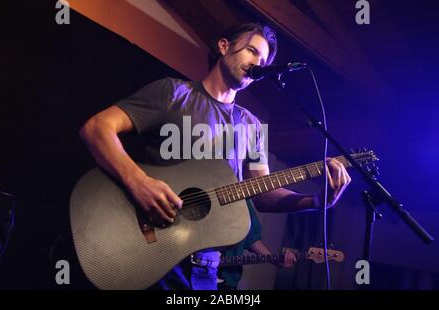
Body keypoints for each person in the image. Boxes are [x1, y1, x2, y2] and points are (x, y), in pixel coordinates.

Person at [79, 22, 351, 290]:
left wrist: (316, 200)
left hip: (207, 265)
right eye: (251, 51)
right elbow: (97, 128)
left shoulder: (252, 126)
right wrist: (138, 182)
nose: (258, 61)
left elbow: (264, 194)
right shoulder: (173, 93)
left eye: (264, 58)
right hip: (154, 251)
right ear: (224, 46)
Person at [217, 200, 297, 290]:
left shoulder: (243, 201)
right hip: (199, 273)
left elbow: (251, 239)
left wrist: (275, 259)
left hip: (227, 280)